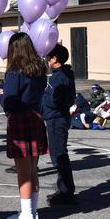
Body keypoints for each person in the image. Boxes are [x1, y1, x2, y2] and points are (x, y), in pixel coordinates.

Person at [0, 33, 48, 219]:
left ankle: (26, 215)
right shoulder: (40, 69)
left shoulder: (15, 71)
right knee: (33, 169)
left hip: (20, 120)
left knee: (23, 171)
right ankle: (33, 212)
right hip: (36, 118)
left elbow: (10, 101)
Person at [42, 44, 77, 205]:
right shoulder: (64, 74)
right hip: (58, 117)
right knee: (58, 154)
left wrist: (43, 96)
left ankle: (66, 191)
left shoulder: (59, 77)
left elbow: (53, 100)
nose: (48, 60)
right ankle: (64, 188)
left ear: (55, 59)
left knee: (59, 155)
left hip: (56, 119)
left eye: (50, 57)